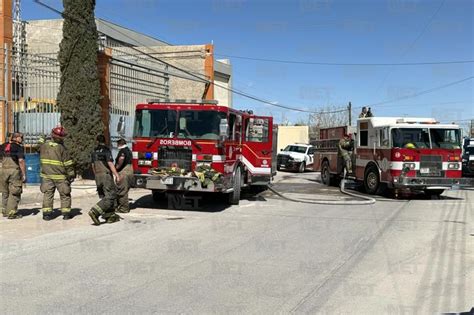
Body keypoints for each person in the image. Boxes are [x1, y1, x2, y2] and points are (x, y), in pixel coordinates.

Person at [39, 126, 76, 221]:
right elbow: (68, 163)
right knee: (65, 195)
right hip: (60, 177)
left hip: (46, 176)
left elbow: (38, 145)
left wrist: (42, 137)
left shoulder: (44, 146)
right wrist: (71, 174)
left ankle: (46, 214)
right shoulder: (62, 148)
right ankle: (66, 214)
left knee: (48, 194)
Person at [89, 135, 122, 225]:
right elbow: (110, 163)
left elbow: (93, 166)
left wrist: (96, 176)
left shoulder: (94, 152)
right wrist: (117, 175)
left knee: (104, 196)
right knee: (110, 196)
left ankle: (109, 216)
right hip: (105, 175)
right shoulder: (106, 151)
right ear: (105, 141)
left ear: (97, 141)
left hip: (97, 176)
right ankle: (94, 211)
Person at [0, 132, 26, 219]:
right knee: (15, 192)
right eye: (21, 137)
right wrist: (24, 174)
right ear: (16, 138)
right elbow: (21, 161)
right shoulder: (18, 147)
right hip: (14, 171)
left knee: (5, 191)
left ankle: (4, 211)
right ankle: (12, 213)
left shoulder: (3, 145)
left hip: (3, 170)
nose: (22, 139)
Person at [114, 138, 133, 213]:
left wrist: (116, 168)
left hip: (124, 172)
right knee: (125, 189)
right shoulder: (129, 150)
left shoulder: (122, 151)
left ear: (120, 144)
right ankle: (120, 205)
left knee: (122, 191)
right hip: (130, 170)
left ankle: (124, 208)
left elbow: (121, 159)